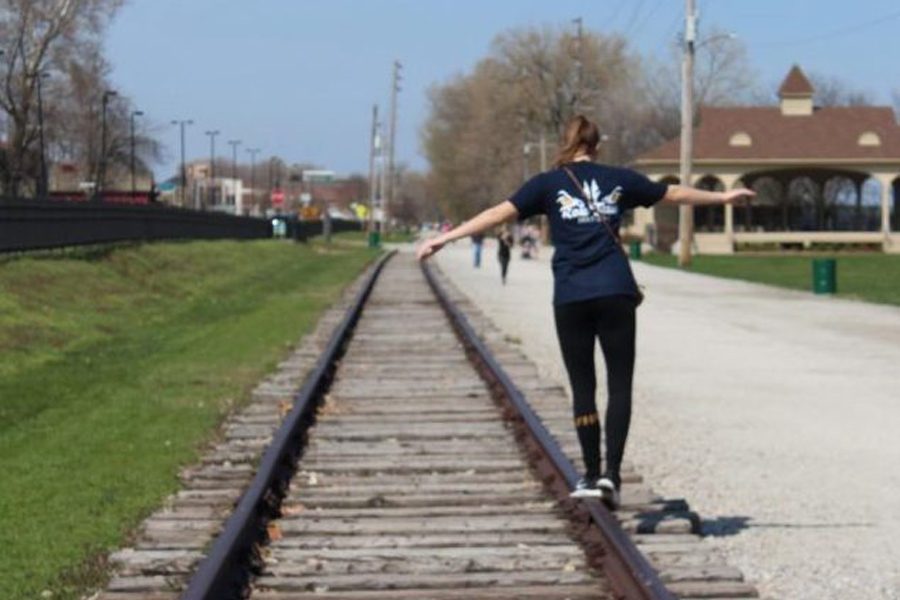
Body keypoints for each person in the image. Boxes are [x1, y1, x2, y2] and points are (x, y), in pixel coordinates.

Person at [417, 115, 753, 509]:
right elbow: (673, 193)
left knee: (583, 388)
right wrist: (723, 198)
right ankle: (612, 474)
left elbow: (498, 213)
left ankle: (591, 475)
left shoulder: (546, 183)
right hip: (615, 292)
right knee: (620, 384)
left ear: (567, 142)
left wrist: (445, 238)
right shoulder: (619, 179)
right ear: (597, 145)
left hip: (571, 296)